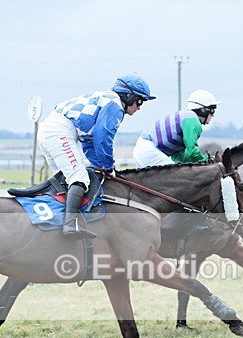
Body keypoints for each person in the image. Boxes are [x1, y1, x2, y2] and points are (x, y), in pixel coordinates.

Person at [37, 73, 155, 238]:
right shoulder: (115, 105)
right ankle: (71, 225)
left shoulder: (108, 100)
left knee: (64, 180)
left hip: (51, 129)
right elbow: (103, 137)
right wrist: (108, 166)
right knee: (79, 178)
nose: (139, 107)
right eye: (139, 101)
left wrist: (101, 166)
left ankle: (54, 222)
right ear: (129, 96)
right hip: (59, 131)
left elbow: (89, 143)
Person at [132, 89, 220, 167]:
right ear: (203, 110)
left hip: (143, 149)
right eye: (212, 110)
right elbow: (192, 152)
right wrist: (207, 162)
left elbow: (178, 157)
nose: (213, 115)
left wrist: (204, 160)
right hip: (149, 151)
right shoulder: (193, 121)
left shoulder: (186, 117)